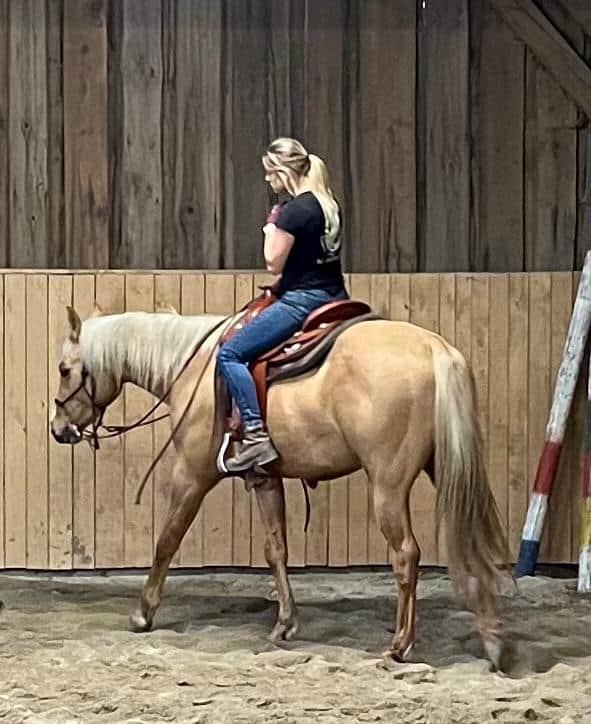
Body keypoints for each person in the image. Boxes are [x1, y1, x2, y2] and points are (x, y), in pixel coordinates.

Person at [216, 137, 349, 473]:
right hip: (336, 297)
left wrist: (271, 227)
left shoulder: (295, 211)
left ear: (283, 171)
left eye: (269, 172)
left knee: (230, 354)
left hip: (302, 301)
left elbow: (273, 263)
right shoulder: (328, 205)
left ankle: (256, 435)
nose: (267, 179)